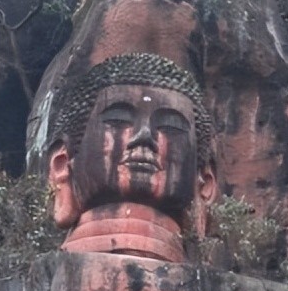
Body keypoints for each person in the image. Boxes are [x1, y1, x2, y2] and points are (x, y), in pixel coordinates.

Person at [48, 53, 217, 261]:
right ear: (62, 164)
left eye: (171, 126)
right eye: (118, 119)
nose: (144, 135)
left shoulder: (215, 289)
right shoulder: (41, 279)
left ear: (205, 183)